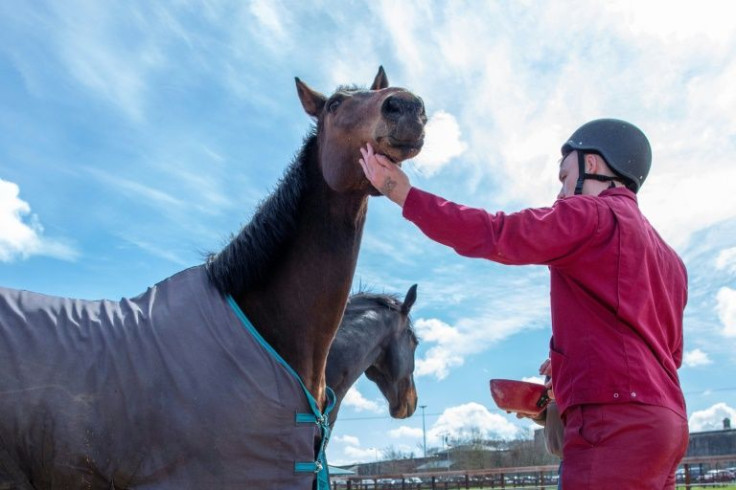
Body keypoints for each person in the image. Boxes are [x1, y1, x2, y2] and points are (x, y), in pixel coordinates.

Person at [359, 119, 689, 490]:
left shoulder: (590, 215)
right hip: (668, 422)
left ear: (592, 166)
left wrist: (403, 193)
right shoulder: (672, 260)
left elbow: (496, 232)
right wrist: (567, 369)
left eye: (564, 177)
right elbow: (666, 354)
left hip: (613, 421)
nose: (562, 193)